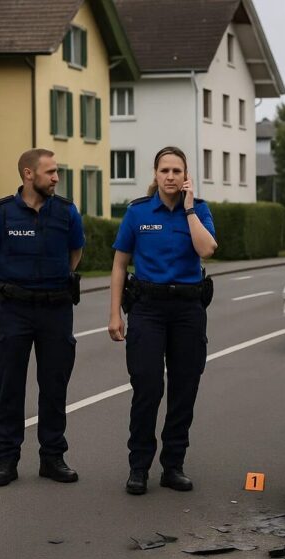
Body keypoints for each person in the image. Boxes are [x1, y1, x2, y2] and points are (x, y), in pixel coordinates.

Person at [0, 148, 85, 486]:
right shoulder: (1, 213)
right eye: (50, 172)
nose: (56, 178)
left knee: (54, 387)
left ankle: (53, 458)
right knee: (10, 388)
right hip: (15, 310)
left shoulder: (66, 212)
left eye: (57, 171)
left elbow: (75, 251)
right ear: (28, 174)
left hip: (56, 309)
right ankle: (6, 459)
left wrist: (58, 277)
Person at [108, 146, 217, 495]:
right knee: (148, 386)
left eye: (177, 171)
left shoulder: (199, 210)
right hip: (148, 309)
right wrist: (114, 314)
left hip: (187, 310)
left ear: (186, 176)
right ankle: (138, 467)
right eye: (164, 171)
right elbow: (120, 264)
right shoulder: (138, 213)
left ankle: (174, 466)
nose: (170, 177)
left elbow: (207, 250)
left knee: (184, 388)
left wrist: (188, 210)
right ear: (155, 175)